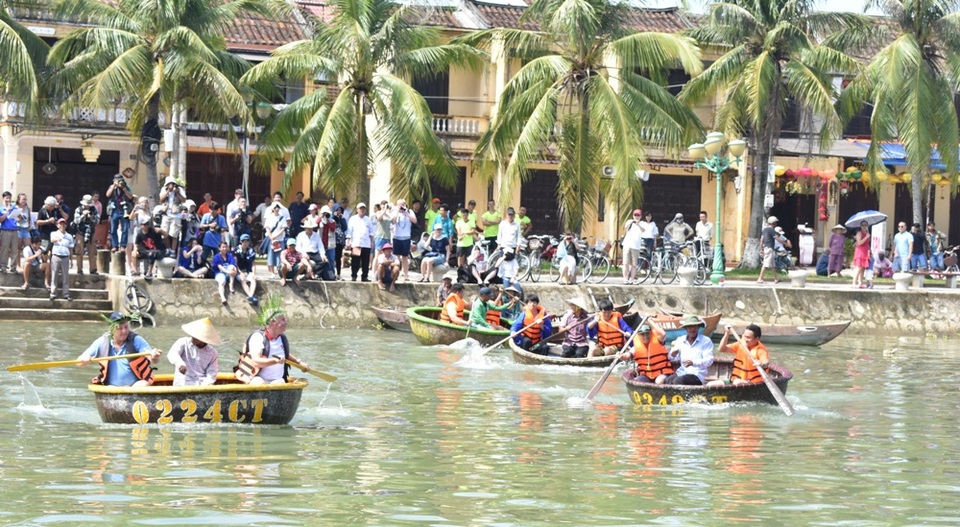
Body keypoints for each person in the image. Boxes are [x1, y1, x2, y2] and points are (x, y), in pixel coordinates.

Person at [234, 297, 310, 385]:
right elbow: (256, 361)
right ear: (273, 321)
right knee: (259, 383)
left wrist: (299, 363)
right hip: (256, 377)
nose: (286, 322)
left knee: (279, 384)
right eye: (283, 319)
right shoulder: (258, 337)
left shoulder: (281, 338)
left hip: (277, 380)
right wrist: (275, 361)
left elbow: (284, 355)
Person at [77, 311, 163, 387]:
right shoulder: (102, 342)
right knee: (110, 388)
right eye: (120, 328)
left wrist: (154, 356)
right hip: (112, 387)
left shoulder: (136, 340)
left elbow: (152, 358)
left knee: (143, 384)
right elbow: (79, 362)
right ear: (112, 329)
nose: (124, 331)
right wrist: (84, 359)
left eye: (126, 327)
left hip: (135, 386)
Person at [167, 317, 222, 387]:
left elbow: (211, 373)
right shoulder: (183, 342)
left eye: (196, 336)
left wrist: (204, 387)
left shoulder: (212, 353)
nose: (193, 336)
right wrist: (180, 364)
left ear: (204, 339)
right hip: (182, 384)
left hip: (201, 385)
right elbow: (172, 353)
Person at [619, 320, 673, 384]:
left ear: (650, 333)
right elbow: (627, 355)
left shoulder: (658, 341)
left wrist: (650, 321)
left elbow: (663, 334)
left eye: (647, 334)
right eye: (643, 334)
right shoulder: (636, 347)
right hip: (646, 375)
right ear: (639, 335)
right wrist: (621, 356)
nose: (645, 336)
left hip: (661, 373)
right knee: (636, 381)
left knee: (659, 381)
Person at [664, 316, 714, 385]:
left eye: (694, 327)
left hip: (697, 375)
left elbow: (709, 361)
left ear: (698, 327)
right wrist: (673, 354)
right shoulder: (680, 340)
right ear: (686, 329)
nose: (692, 329)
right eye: (689, 327)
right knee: (668, 380)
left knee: (678, 381)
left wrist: (693, 363)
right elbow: (671, 358)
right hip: (682, 372)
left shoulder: (706, 341)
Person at [345, 202, 374, 282]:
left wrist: (372, 242)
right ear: (357, 210)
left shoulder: (368, 219)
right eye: (360, 208)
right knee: (355, 261)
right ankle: (354, 276)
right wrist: (348, 241)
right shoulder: (353, 219)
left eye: (363, 208)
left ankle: (364, 276)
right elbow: (349, 232)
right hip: (356, 243)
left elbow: (371, 232)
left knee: (365, 262)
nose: (362, 210)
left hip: (366, 244)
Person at [72, 194, 100, 274]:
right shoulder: (78, 209)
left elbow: (98, 221)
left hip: (91, 232)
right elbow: (76, 221)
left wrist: (91, 217)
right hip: (80, 232)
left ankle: (93, 269)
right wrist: (83, 215)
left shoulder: (94, 210)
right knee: (79, 250)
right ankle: (79, 269)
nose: (87, 206)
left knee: (92, 251)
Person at [106, 173, 133, 251]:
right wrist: (114, 186)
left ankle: (123, 245)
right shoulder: (112, 187)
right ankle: (115, 245)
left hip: (124, 210)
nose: (119, 182)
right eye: (117, 181)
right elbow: (107, 195)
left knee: (125, 228)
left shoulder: (126, 187)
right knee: (113, 229)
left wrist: (124, 189)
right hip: (114, 210)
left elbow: (130, 197)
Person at [49, 218, 75, 301]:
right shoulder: (54, 233)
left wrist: (71, 260)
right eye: (61, 224)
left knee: (65, 276)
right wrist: (58, 239)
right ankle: (53, 293)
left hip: (65, 256)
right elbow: (52, 240)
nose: (62, 226)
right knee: (54, 274)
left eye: (64, 224)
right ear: (57, 225)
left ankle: (66, 294)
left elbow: (71, 248)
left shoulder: (69, 236)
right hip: (56, 256)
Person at [158, 176, 185, 254]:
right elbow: (161, 199)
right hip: (166, 214)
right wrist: (168, 192)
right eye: (169, 184)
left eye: (172, 184)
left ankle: (173, 250)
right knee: (164, 234)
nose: (171, 185)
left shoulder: (179, 190)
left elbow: (183, 200)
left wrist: (176, 192)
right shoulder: (164, 189)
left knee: (174, 235)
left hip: (176, 215)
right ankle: (168, 249)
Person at [391, 199, 416, 281]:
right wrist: (397, 211)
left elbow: (415, 221)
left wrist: (406, 213)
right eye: (400, 205)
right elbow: (393, 222)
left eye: (403, 204)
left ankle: (405, 274)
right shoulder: (394, 212)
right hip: (396, 236)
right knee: (397, 256)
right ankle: (396, 274)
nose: (402, 206)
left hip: (406, 237)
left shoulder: (409, 211)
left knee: (405, 257)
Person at [234, 233, 259, 305]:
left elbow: (253, 263)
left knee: (253, 279)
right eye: (244, 241)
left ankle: (250, 296)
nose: (246, 243)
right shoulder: (236, 250)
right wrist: (240, 272)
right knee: (243, 280)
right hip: (239, 271)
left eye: (247, 241)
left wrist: (254, 273)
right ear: (241, 242)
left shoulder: (251, 250)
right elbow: (235, 263)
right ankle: (251, 296)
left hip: (248, 271)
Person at [621, 209, 644, 285]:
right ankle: (625, 279)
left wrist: (638, 224)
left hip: (636, 246)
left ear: (640, 216)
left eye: (638, 215)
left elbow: (643, 230)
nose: (636, 217)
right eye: (635, 215)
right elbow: (626, 228)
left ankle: (632, 279)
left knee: (634, 264)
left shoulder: (642, 223)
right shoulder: (629, 221)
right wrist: (632, 222)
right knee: (625, 263)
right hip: (627, 245)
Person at [264, 202, 287, 276]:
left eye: (278, 207)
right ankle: (272, 272)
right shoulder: (269, 217)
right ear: (273, 209)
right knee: (271, 255)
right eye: (275, 207)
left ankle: (279, 271)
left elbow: (283, 228)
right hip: (271, 240)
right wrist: (271, 237)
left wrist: (276, 236)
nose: (276, 209)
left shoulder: (282, 218)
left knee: (280, 255)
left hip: (279, 239)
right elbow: (267, 228)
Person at [757, 216, 780, 284]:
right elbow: (777, 238)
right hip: (769, 248)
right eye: (775, 223)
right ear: (774, 223)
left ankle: (776, 279)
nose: (776, 224)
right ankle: (760, 278)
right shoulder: (771, 230)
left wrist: (761, 249)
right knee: (766, 264)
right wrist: (785, 243)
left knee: (772, 264)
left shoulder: (765, 230)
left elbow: (761, 240)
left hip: (766, 248)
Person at [0, 191, 20, 273]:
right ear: (3, 198)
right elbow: (1, 220)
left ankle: (13, 267)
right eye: (6, 198)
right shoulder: (1, 208)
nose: (8, 200)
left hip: (14, 230)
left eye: (9, 198)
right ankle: (3, 266)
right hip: (5, 230)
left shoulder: (14, 208)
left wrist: (19, 217)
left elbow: (19, 218)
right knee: (4, 249)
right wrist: (7, 211)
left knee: (14, 250)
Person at [852, 220, 871, 288]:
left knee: (863, 268)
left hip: (865, 251)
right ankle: (854, 282)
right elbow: (859, 243)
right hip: (860, 251)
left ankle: (860, 282)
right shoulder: (859, 233)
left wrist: (869, 252)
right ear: (860, 226)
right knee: (859, 267)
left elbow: (868, 244)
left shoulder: (867, 233)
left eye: (865, 225)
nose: (864, 226)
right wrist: (866, 237)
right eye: (862, 225)